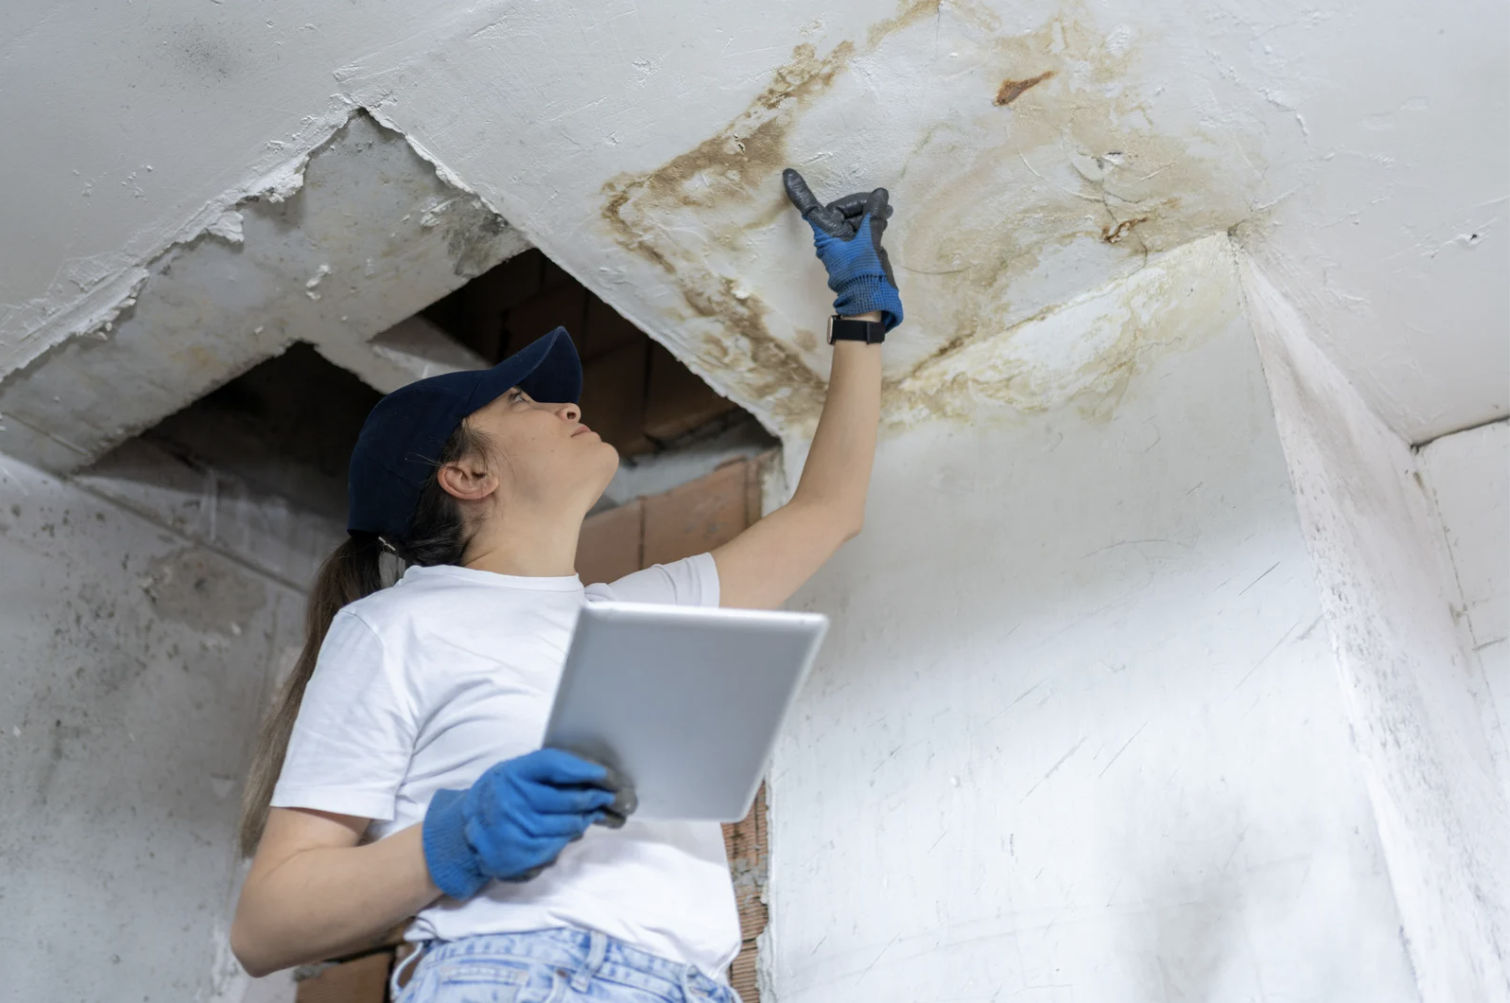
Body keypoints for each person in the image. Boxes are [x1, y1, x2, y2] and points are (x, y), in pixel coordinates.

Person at [229, 168, 904, 1003]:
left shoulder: (637, 618)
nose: (568, 408)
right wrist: (460, 838)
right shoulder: (393, 626)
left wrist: (859, 313)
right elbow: (266, 927)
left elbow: (830, 509)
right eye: (522, 399)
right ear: (467, 473)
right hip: (514, 974)